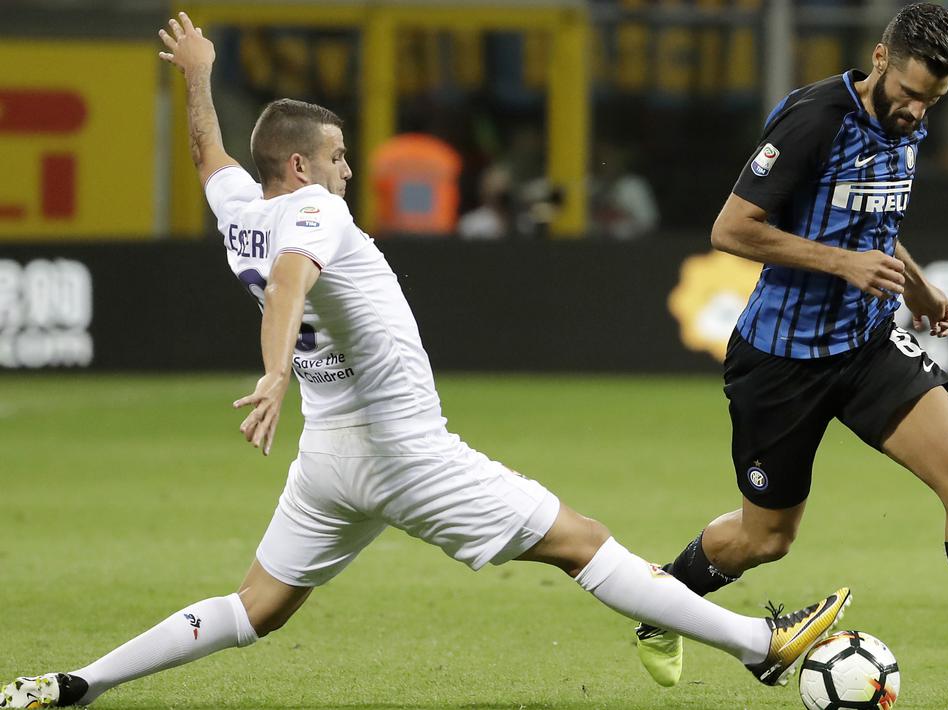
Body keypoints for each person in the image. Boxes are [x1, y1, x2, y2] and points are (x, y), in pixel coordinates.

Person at [0, 12, 848, 708]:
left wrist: (196, 74)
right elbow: (293, 282)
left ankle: (82, 682)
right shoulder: (313, 215)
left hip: (329, 458)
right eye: (335, 156)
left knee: (255, 606)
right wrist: (271, 372)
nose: (347, 169)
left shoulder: (241, 210)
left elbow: (207, 157)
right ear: (298, 165)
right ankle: (760, 648)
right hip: (401, 448)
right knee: (583, 543)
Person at [631, 5, 948, 709]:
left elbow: (869, 217)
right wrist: (841, 264)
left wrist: (921, 286)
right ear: (878, 59)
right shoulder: (813, 119)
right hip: (780, 359)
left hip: (866, 344)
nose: (915, 108)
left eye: (932, 97)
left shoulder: (910, 119)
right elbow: (732, 228)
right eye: (907, 91)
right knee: (765, 537)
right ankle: (661, 604)